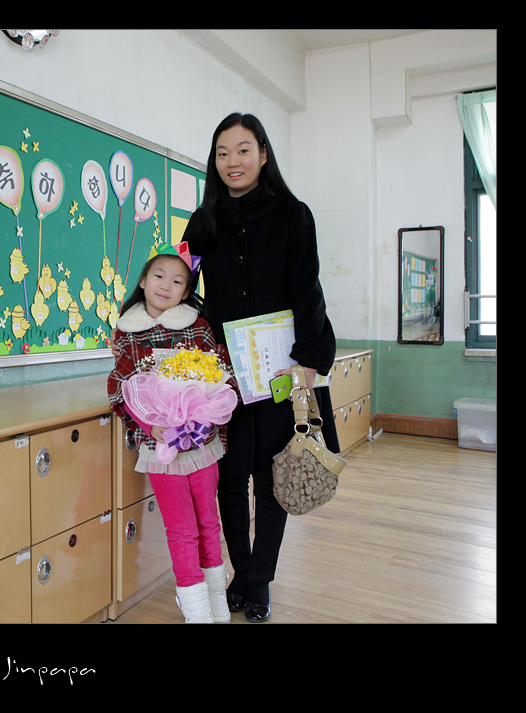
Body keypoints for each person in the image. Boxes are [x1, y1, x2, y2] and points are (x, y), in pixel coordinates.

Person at [181, 112, 339, 622]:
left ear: (264, 154)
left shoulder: (293, 215)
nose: (233, 161)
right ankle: (240, 572)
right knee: (229, 478)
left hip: (278, 371)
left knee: (273, 477)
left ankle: (261, 580)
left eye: (243, 150)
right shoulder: (202, 223)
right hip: (225, 374)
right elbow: (182, 287)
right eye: (222, 152)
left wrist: (308, 365)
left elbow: (307, 291)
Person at [107, 242, 239, 623]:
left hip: (201, 443)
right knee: (181, 528)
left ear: (186, 291)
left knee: (208, 522)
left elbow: (222, 374)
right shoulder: (127, 333)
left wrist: (204, 416)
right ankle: (197, 610)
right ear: (143, 281)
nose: (166, 285)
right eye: (159, 276)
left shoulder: (198, 327)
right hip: (160, 446)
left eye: (178, 281)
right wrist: (152, 427)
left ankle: (216, 602)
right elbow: (120, 391)